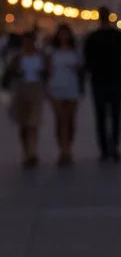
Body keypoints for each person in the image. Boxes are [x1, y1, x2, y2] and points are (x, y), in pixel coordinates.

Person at [83, 7, 121, 161]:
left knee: (101, 117)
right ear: (110, 17)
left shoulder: (92, 37)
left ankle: (103, 150)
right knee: (116, 116)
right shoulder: (117, 35)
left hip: (98, 81)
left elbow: (87, 60)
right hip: (115, 80)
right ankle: (114, 147)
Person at [3, 30, 50, 167]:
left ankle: (32, 152)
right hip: (21, 90)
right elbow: (8, 74)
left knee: (33, 123)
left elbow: (47, 72)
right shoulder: (17, 57)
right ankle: (25, 151)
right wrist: (16, 71)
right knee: (23, 124)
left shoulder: (41, 56)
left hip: (36, 90)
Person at [47, 22, 85, 165]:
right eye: (61, 34)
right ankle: (62, 150)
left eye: (66, 34)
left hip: (71, 88)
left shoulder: (75, 52)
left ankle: (68, 146)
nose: (64, 36)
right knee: (59, 120)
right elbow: (49, 70)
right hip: (56, 88)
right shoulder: (52, 52)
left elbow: (81, 69)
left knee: (70, 121)